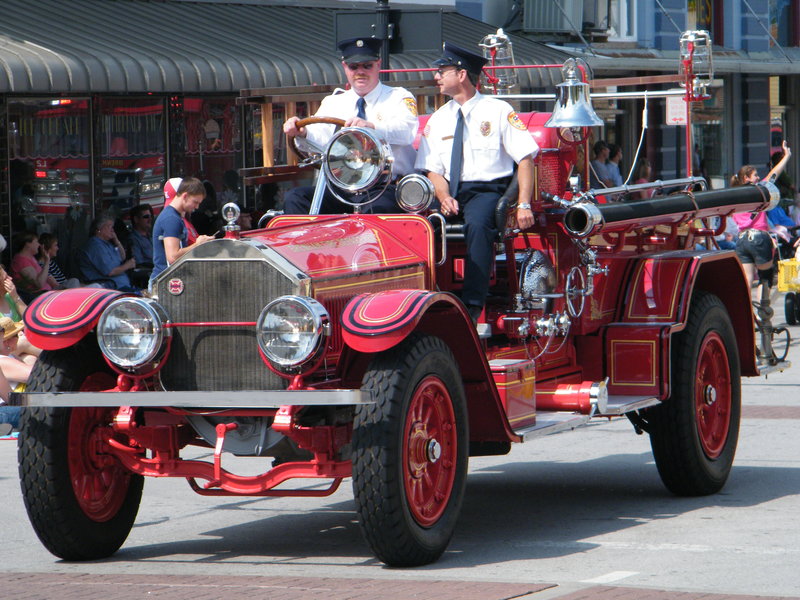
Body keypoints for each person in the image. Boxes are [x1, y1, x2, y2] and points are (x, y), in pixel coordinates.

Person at [415, 42, 538, 324]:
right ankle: (426, 299)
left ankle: (471, 306)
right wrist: (444, 196)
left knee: (478, 225)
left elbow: (526, 158)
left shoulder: (498, 110)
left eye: (441, 71)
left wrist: (523, 204)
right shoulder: (438, 118)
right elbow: (432, 171)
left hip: (487, 190)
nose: (436, 76)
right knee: (416, 228)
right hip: (449, 193)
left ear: (461, 75)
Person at [282, 37, 418, 215]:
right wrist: (302, 132)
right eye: (354, 67)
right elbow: (320, 138)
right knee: (296, 198)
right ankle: (304, 243)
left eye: (367, 66)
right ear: (345, 67)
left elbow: (406, 132)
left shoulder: (398, 97)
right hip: (343, 187)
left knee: (375, 212)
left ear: (378, 64)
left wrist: (372, 128)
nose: (360, 72)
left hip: (386, 187)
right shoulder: (333, 102)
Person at [731, 140, 794, 293]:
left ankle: (744, 311)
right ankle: (762, 312)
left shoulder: (732, 196)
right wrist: (787, 156)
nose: (758, 178)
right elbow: (774, 174)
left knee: (747, 279)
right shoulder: (760, 191)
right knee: (765, 277)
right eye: (755, 175)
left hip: (742, 240)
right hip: (759, 238)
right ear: (746, 178)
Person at [149, 177, 214, 285]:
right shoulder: (171, 219)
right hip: (164, 284)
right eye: (195, 202)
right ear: (185, 196)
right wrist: (198, 244)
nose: (197, 207)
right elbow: (173, 257)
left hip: (170, 282)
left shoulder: (175, 217)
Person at [79, 214, 138, 291]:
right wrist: (127, 266)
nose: (112, 230)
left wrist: (116, 241)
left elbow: (122, 257)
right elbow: (110, 272)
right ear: (99, 229)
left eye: (112, 227)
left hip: (122, 286)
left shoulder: (107, 243)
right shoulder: (95, 246)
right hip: (112, 289)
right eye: (109, 226)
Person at [10, 232, 57, 299]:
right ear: (28, 244)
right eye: (37, 242)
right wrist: (47, 262)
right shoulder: (21, 261)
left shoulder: (31, 258)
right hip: (39, 297)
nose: (39, 245)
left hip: (48, 293)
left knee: (73, 283)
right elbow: (39, 284)